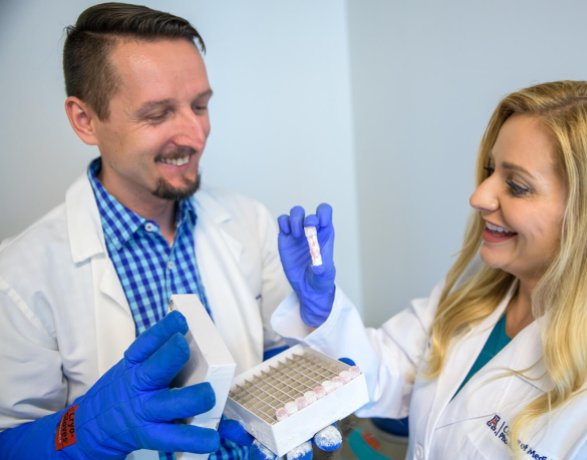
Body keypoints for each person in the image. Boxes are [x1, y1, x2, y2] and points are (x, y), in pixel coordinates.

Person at [273, 80, 587, 459]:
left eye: (516, 185)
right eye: (489, 171)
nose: (479, 196)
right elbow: (380, 376)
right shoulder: (471, 299)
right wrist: (323, 309)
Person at [0, 3, 339, 459]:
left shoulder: (248, 221)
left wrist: (315, 331)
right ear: (85, 120)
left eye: (200, 105)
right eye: (158, 114)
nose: (195, 135)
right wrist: (89, 430)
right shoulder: (18, 275)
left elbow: (281, 354)